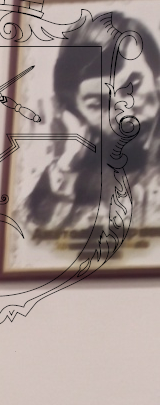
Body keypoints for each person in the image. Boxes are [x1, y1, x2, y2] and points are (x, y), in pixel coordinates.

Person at [20, 14, 160, 256]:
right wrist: (66, 165)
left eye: (133, 86)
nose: (124, 112)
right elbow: (35, 243)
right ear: (76, 113)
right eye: (100, 104)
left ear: (156, 77)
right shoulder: (81, 168)